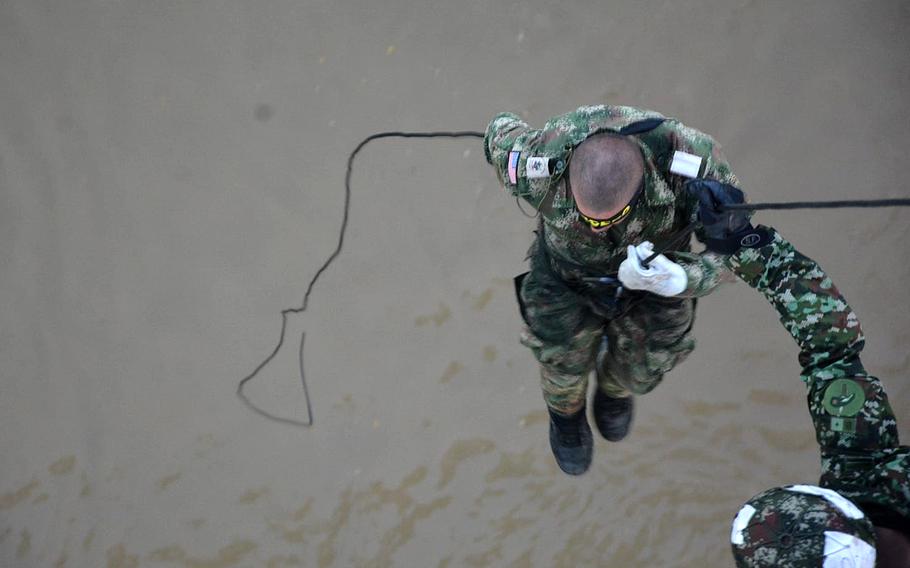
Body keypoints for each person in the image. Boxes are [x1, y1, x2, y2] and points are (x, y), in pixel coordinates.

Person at [484, 105, 747, 474]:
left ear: (640, 189)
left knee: (647, 362)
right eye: (586, 216)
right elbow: (497, 133)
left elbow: (741, 252)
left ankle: (615, 391)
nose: (595, 228)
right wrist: (504, 127)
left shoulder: (691, 165)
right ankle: (566, 415)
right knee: (559, 358)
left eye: (607, 219)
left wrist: (685, 277)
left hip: (658, 278)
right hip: (566, 277)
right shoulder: (540, 160)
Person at [688, 182, 909, 566]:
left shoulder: (859, 469)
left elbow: (829, 343)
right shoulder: (864, 472)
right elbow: (830, 341)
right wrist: (743, 242)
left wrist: (742, 243)